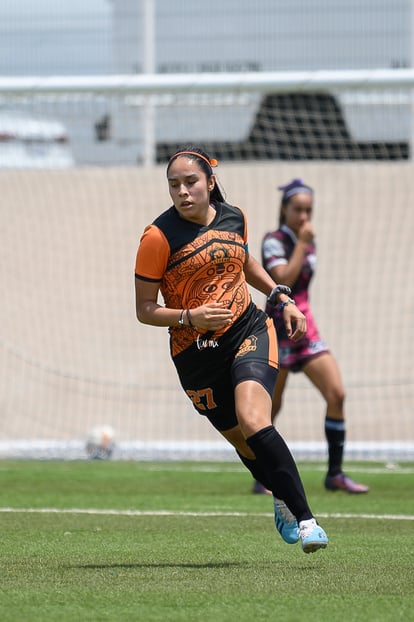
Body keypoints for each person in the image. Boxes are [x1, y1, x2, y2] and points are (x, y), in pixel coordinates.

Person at [134, 147, 328, 554]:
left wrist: (278, 295)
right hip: (196, 355)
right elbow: (145, 310)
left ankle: (307, 520)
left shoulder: (233, 216)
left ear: (210, 182)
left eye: (191, 182)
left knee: (254, 419)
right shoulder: (157, 237)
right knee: (242, 441)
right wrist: (189, 317)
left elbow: (244, 260)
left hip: (248, 329)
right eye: (174, 185)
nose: (183, 192)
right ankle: (280, 494)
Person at [256, 178, 369, 495]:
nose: (305, 216)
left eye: (309, 210)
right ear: (284, 209)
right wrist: (303, 244)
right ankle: (262, 475)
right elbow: (282, 282)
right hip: (277, 330)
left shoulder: (307, 239)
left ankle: (335, 474)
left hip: (307, 331)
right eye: (298, 209)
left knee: (337, 393)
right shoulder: (273, 241)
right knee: (270, 406)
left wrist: (305, 242)